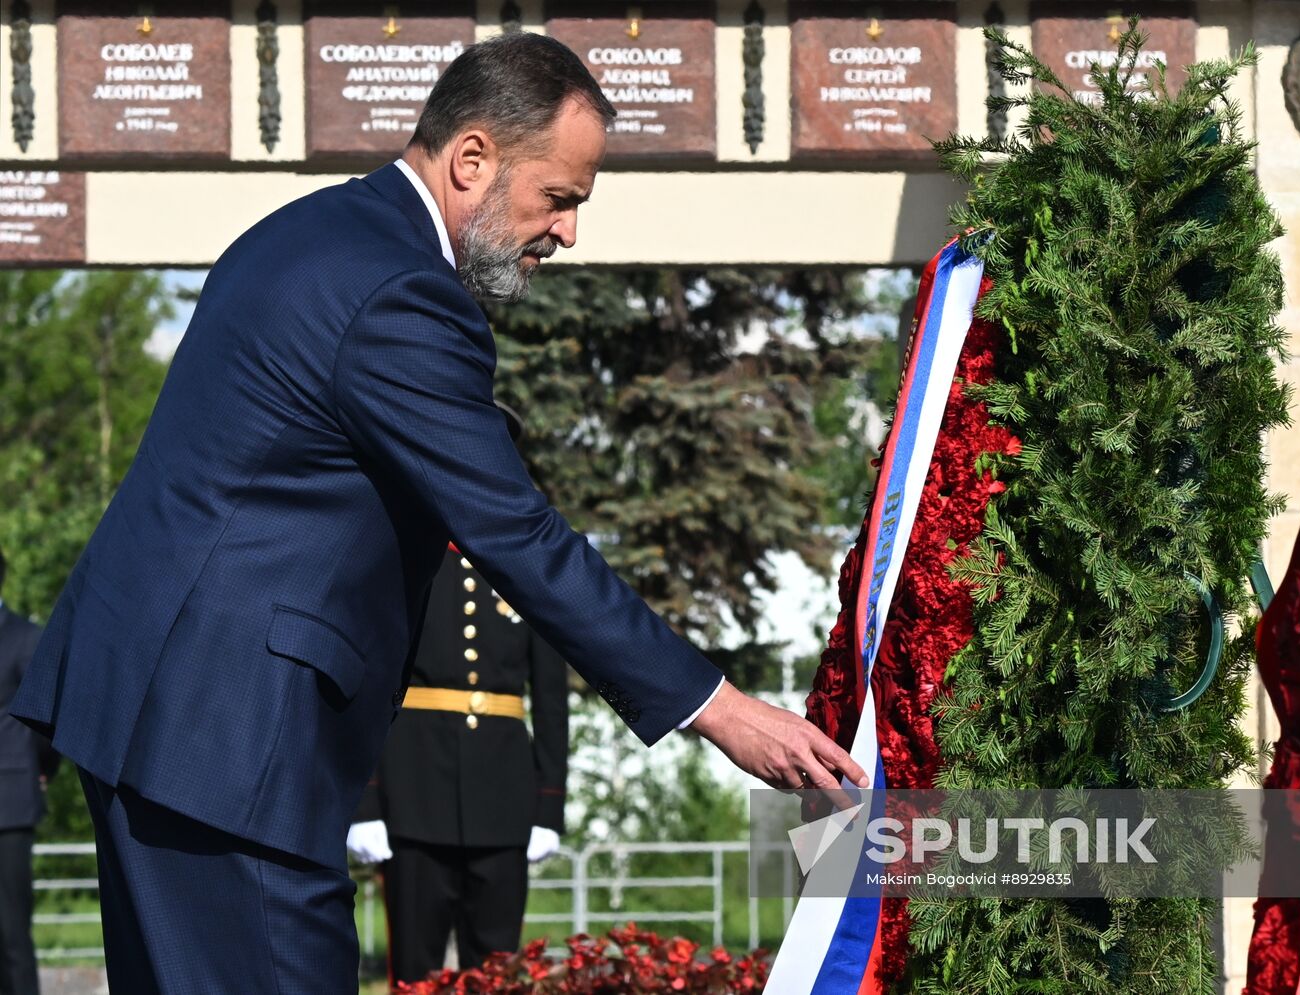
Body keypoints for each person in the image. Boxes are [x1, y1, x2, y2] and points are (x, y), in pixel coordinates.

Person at [11, 32, 865, 993]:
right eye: (561, 197)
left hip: (156, 709)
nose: (569, 233)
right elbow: (517, 534)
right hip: (225, 741)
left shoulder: (308, 230)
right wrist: (720, 708)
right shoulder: (403, 293)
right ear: (473, 159)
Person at [348, 403, 570, 984]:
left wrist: (549, 807)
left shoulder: (529, 566)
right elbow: (367, 684)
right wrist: (365, 803)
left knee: (496, 971)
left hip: (505, 799)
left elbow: (550, 700)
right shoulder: (397, 551)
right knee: (416, 972)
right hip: (412, 794)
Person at [0, 549, 55, 995]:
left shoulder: (25, 638)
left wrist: (43, 771)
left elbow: (44, 720)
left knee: (12, 930)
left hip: (9, 804)